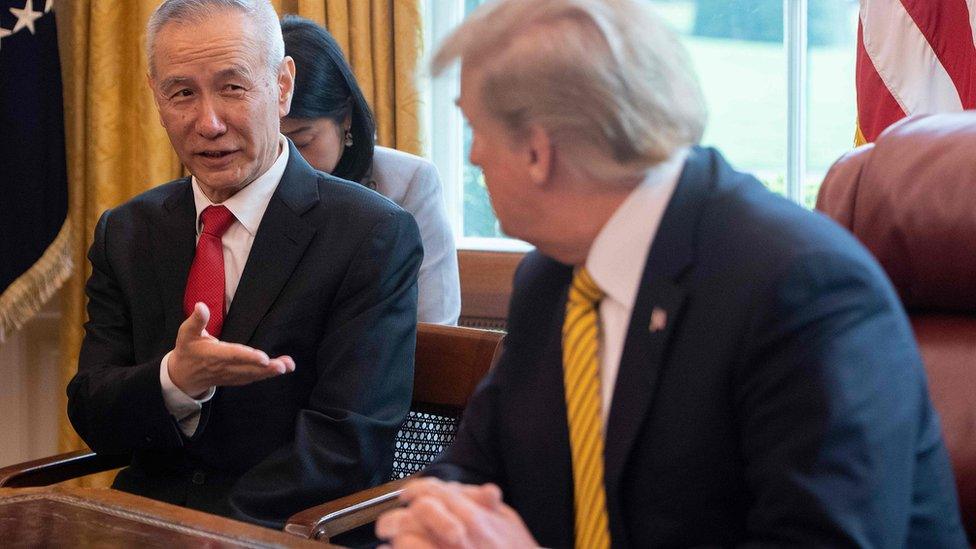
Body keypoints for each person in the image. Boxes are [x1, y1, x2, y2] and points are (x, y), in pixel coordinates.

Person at [375, 0, 968, 547]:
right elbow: (476, 468)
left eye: (475, 128)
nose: (472, 156)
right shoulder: (552, 280)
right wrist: (438, 516)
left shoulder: (802, 290)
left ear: (537, 150)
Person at [66, 0, 421, 530]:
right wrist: (173, 380)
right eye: (182, 93)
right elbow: (93, 411)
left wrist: (206, 532)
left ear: (282, 86)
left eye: (233, 87)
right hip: (142, 525)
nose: (208, 123)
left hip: (288, 530)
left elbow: (346, 447)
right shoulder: (127, 231)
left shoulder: (370, 233)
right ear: (155, 97)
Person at [280, 15, 461, 325]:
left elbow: (437, 325)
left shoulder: (407, 184)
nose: (287, 160)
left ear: (346, 117)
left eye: (303, 141)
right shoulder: (251, 182)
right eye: (275, 145)